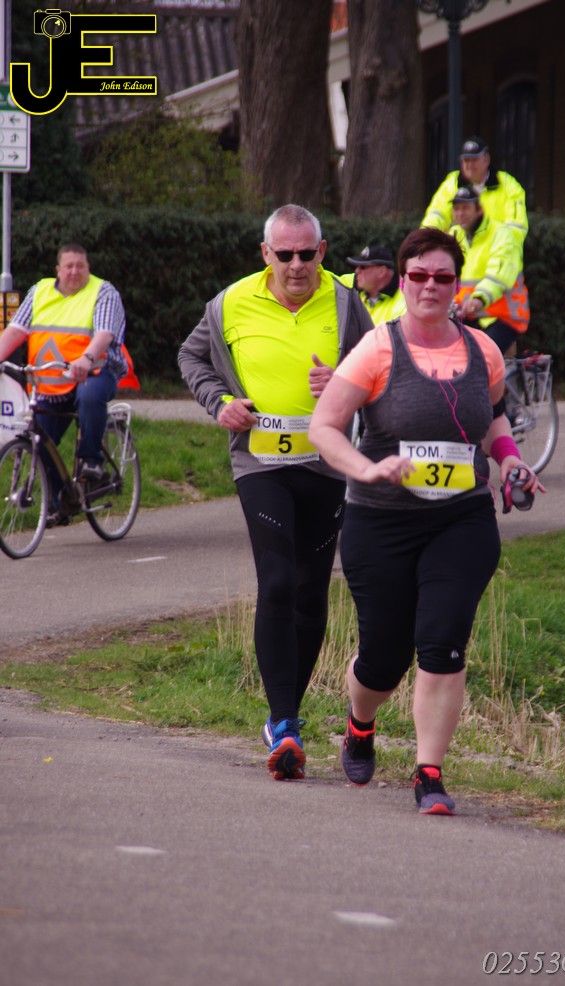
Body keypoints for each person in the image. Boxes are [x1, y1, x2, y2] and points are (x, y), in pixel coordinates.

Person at [309, 226, 544, 815]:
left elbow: (494, 420)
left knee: (442, 642)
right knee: (384, 657)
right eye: (419, 275)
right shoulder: (378, 349)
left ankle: (429, 773)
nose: (430, 286)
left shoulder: (483, 351)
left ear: (456, 283)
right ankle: (360, 722)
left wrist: (511, 462)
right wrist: (366, 469)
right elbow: (324, 427)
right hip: (381, 522)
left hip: (461, 520)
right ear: (404, 280)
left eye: (443, 277)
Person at [178, 204, 373, 781]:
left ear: (322, 251)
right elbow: (191, 356)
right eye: (283, 254)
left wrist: (345, 383)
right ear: (266, 254)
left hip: (325, 464)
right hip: (260, 462)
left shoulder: (345, 302)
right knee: (279, 581)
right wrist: (219, 401)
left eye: (306, 254)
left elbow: (382, 368)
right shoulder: (229, 303)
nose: (295, 265)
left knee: (312, 592)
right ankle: (284, 723)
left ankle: (287, 714)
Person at [0, 243, 128, 526]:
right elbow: (15, 331)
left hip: (96, 370)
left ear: (88, 268)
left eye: (80, 266)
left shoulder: (103, 292)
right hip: (51, 381)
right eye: (68, 266)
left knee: (89, 396)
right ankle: (62, 500)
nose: (74, 272)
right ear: (58, 269)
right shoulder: (40, 291)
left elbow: (104, 333)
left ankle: (91, 461)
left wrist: (87, 358)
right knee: (39, 439)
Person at [450, 187, 530, 354]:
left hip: (504, 316)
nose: (460, 213)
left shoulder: (502, 234)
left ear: (479, 209)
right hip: (469, 314)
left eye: (465, 208)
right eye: (456, 209)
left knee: (482, 358)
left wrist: (479, 299)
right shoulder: (454, 235)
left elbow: (499, 275)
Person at [422, 136, 528, 254]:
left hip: (498, 254)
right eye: (466, 160)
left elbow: (516, 227)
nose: (470, 165)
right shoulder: (452, 183)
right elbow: (437, 214)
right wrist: (425, 240)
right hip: (461, 254)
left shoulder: (508, 185)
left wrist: (500, 248)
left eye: (474, 160)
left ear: (486, 160)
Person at [339, 245, 405, 325]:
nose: (357, 271)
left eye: (363, 267)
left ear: (381, 272)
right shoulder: (358, 298)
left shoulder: (404, 301)